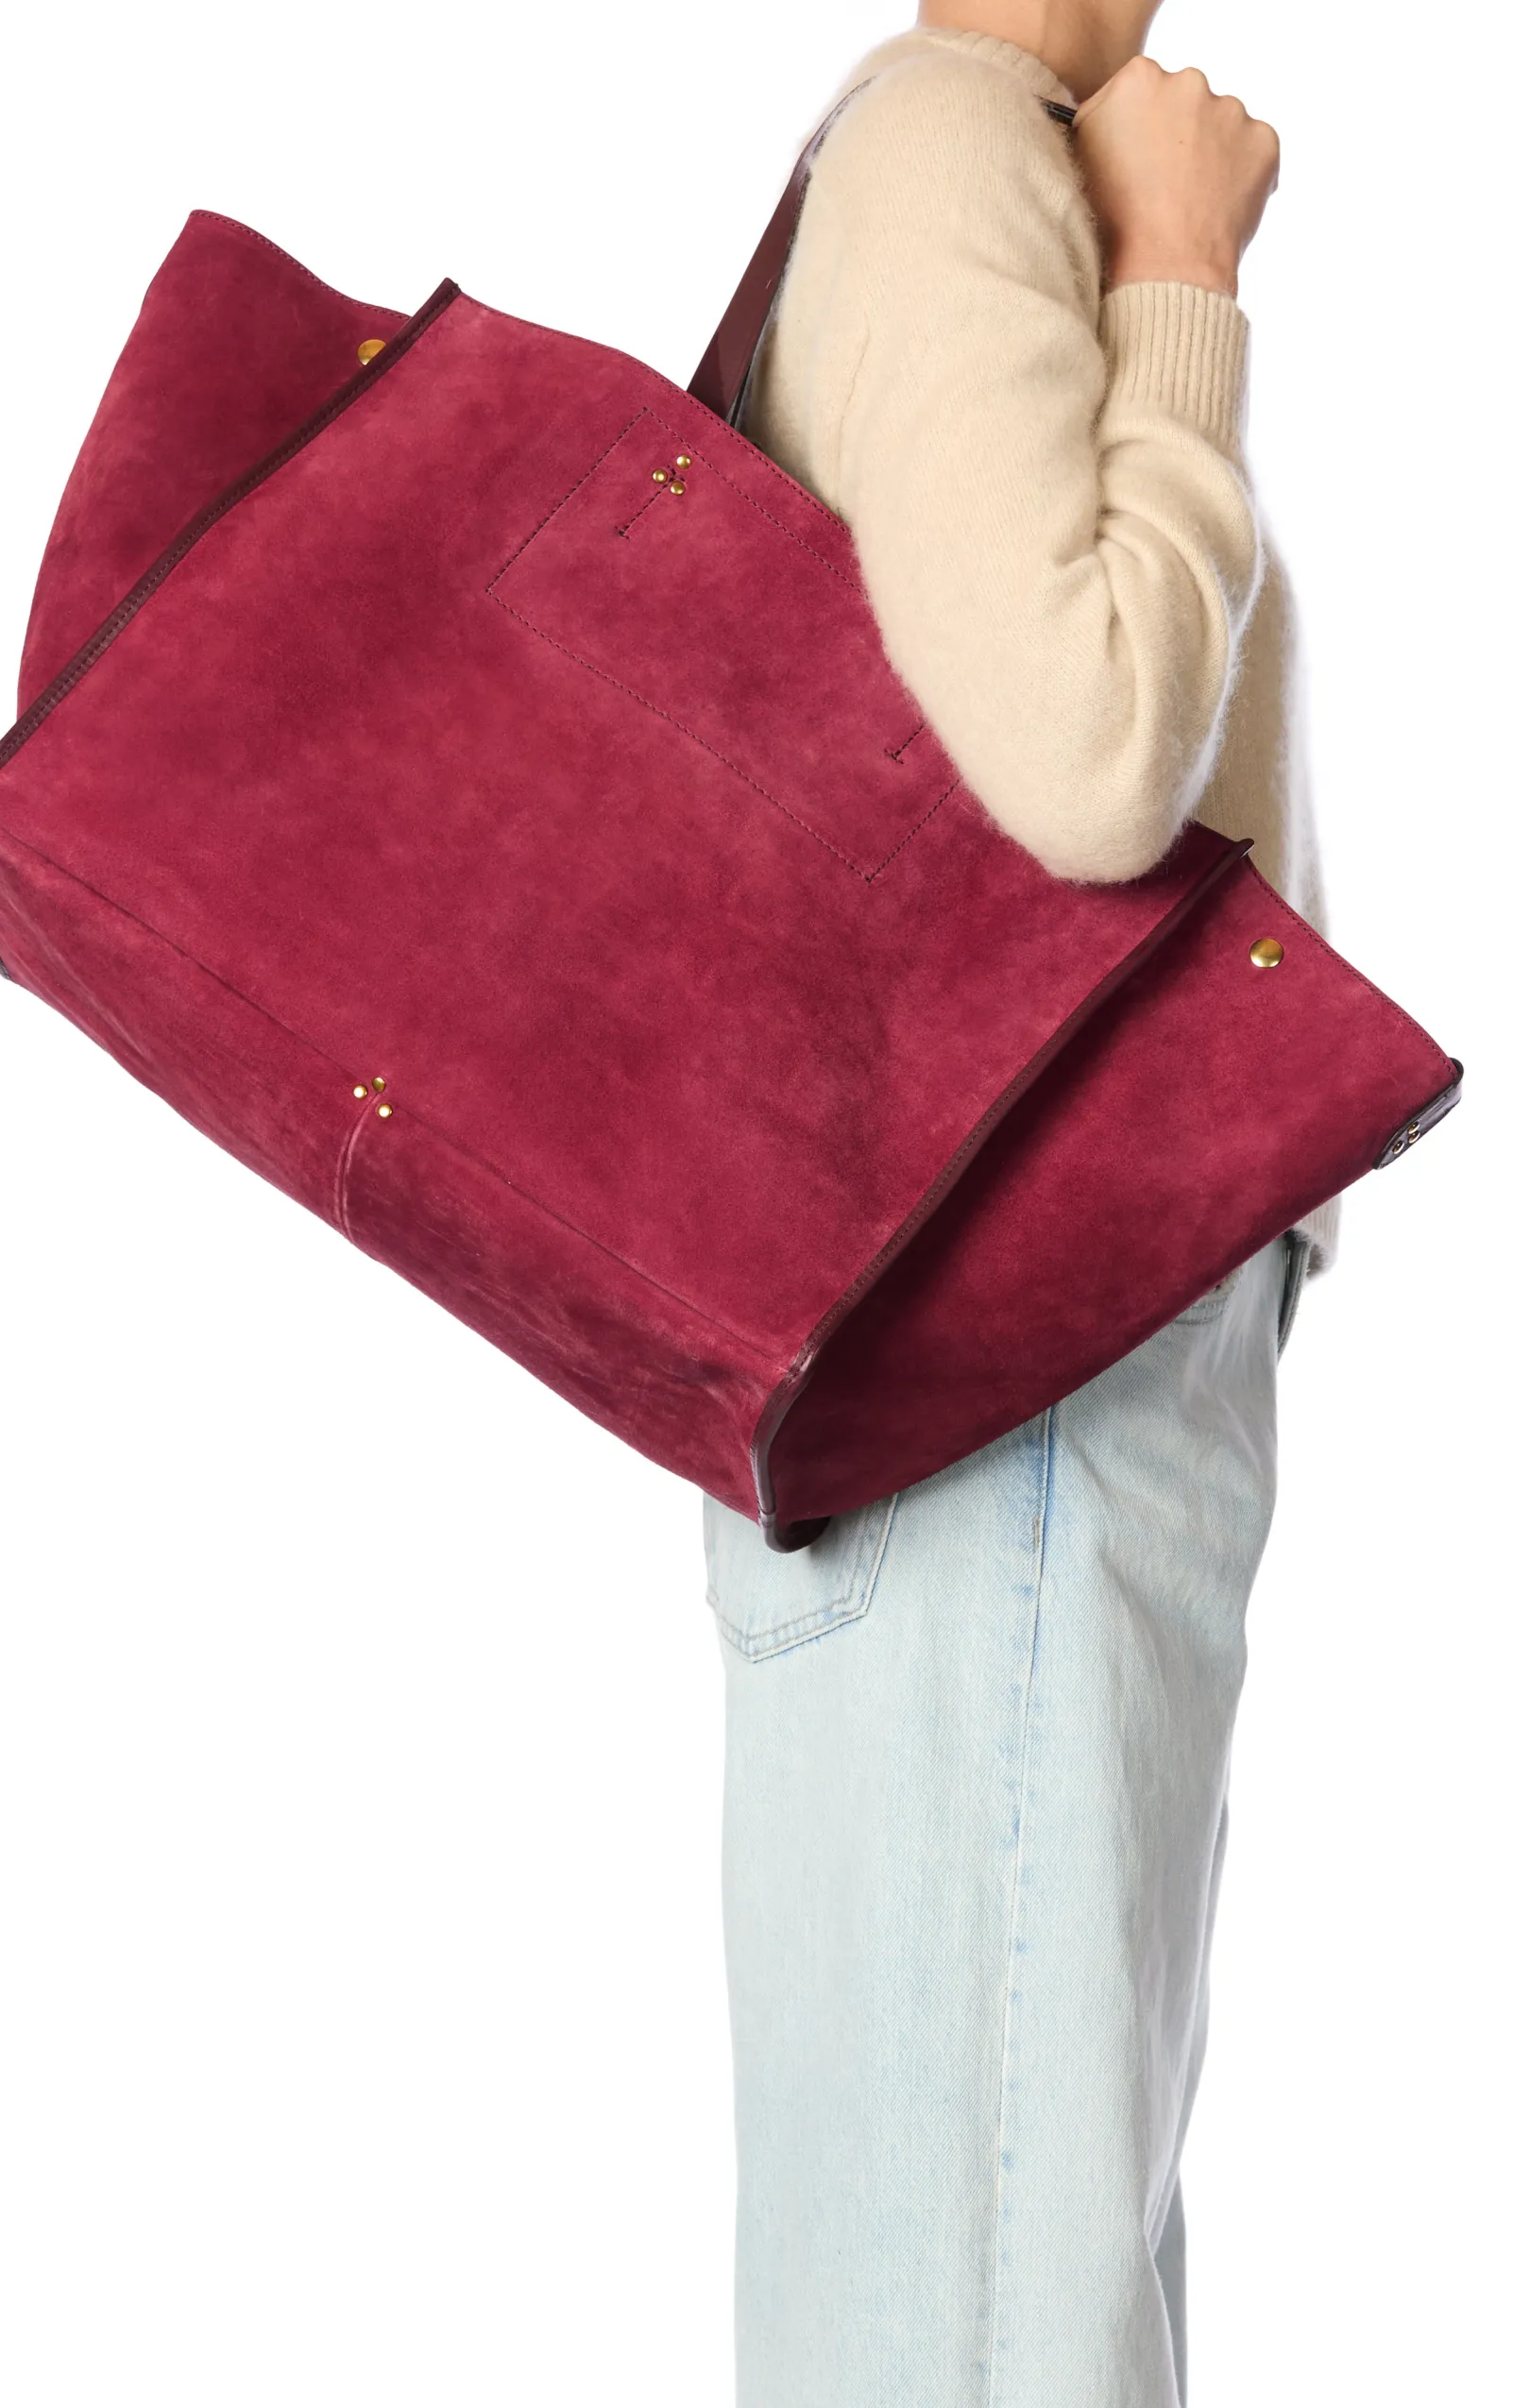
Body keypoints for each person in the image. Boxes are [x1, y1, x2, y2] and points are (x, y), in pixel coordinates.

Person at [702, 7, 1322, 2402]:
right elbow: (1088, 751)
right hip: (1018, 1348)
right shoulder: (960, 147)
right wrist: (1177, 280)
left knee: (967, 2254)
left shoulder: (957, 147)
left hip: (985, 1346)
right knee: (995, 2287)